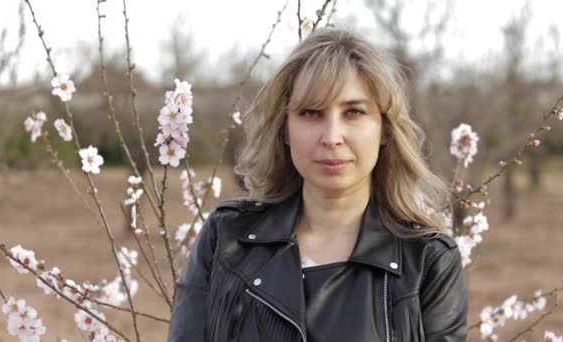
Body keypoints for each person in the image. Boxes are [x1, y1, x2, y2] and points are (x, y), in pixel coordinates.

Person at [168, 28, 468, 342]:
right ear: (284, 129)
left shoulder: (430, 260)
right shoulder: (226, 236)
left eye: (354, 112)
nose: (332, 137)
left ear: (385, 130)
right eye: (311, 113)